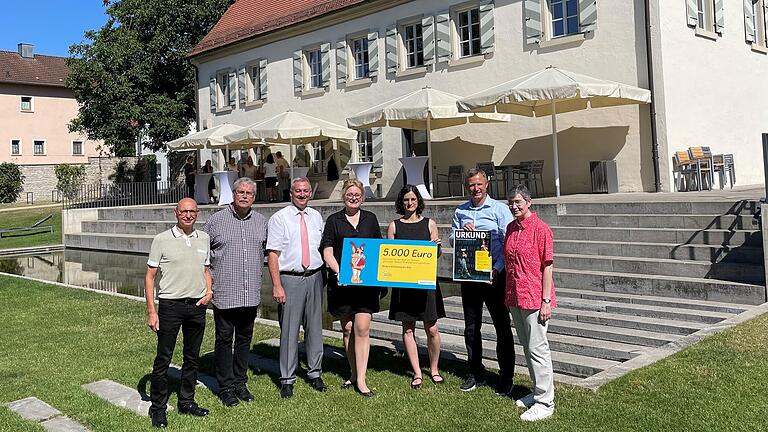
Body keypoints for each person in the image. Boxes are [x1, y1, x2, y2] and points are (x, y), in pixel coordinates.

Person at [144, 198, 212, 428]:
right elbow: (150, 277)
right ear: (176, 213)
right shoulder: (161, 240)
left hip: (196, 306)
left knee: (192, 358)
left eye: (192, 211)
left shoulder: (203, 238)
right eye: (184, 211)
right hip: (170, 306)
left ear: (198, 213)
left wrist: (209, 291)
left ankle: (186, 401)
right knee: (164, 358)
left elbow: (205, 268)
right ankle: (158, 408)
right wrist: (152, 311)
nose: (188, 215)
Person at [203, 178, 267, 407]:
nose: (244, 196)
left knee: (244, 340)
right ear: (233, 194)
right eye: (241, 192)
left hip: (249, 294)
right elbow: (203, 257)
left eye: (249, 193)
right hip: (224, 292)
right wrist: (207, 286)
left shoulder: (261, 221)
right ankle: (226, 387)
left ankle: (240, 382)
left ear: (254, 196)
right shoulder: (216, 221)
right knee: (223, 340)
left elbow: (267, 254)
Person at [450, 168, 515, 395]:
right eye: (471, 186)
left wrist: (497, 270)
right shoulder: (461, 211)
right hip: (469, 277)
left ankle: (506, 376)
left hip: (494, 276)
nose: (475, 189)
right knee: (471, 327)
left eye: (479, 184)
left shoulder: (500, 210)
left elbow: (508, 244)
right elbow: (452, 240)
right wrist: (462, 232)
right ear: (467, 187)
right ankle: (476, 373)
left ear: (486, 184)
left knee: (502, 327)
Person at [266, 177, 327, 398]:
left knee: (315, 328)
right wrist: (276, 285)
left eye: (306, 191)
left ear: (311, 193)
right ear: (291, 193)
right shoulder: (279, 218)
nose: (302, 195)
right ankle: (287, 378)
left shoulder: (316, 217)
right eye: (298, 191)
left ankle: (315, 372)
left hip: (314, 276)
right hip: (290, 279)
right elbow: (272, 254)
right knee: (290, 331)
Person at [321, 179, 382, 397]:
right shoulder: (333, 221)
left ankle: (362, 380)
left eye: (357, 194)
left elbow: (378, 250)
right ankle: (354, 372)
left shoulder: (371, 219)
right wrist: (339, 271)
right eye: (350, 194)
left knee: (362, 328)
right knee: (347, 329)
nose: (353, 197)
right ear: (344, 197)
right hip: (342, 284)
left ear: (362, 197)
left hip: (365, 287)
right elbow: (327, 250)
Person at [505, 184, 556, 422]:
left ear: (528, 202)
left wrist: (546, 300)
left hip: (535, 296)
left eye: (518, 202)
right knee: (527, 346)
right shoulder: (510, 229)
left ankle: (546, 402)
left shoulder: (541, 229)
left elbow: (547, 266)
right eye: (511, 203)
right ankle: (536, 392)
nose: (514, 206)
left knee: (538, 349)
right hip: (515, 295)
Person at [386, 184, 445, 390]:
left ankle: (434, 369)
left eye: (413, 199)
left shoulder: (430, 224)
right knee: (408, 329)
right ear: (401, 203)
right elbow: (389, 259)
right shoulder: (394, 226)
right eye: (406, 200)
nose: (410, 203)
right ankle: (417, 373)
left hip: (425, 283)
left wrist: (437, 247)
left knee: (432, 329)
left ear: (419, 201)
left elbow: (436, 256)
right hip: (404, 286)